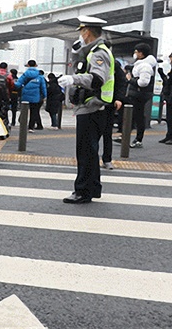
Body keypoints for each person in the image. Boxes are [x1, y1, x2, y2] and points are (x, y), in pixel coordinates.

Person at [57, 15, 115, 203]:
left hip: (93, 107)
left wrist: (74, 80)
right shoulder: (92, 51)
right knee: (90, 150)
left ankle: (82, 191)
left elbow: (97, 79)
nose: (81, 35)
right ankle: (93, 188)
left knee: (85, 152)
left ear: (87, 31)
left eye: (81, 31)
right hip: (92, 107)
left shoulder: (99, 52)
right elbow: (81, 67)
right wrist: (77, 51)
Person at [124, 43, 157, 148]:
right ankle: (126, 136)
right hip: (136, 94)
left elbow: (143, 82)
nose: (135, 54)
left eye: (136, 51)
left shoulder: (145, 66)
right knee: (133, 116)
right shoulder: (141, 63)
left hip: (139, 95)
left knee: (138, 117)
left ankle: (138, 139)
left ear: (141, 53)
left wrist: (131, 80)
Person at [101, 59, 126, 169]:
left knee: (107, 133)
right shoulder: (92, 60)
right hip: (93, 104)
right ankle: (90, 160)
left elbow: (121, 83)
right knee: (91, 135)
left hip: (108, 103)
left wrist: (118, 99)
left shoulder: (114, 64)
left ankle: (107, 159)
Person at [14, 60, 46, 132]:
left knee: (24, 110)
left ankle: (23, 125)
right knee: (34, 111)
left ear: (28, 65)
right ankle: (31, 127)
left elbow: (18, 84)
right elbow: (43, 87)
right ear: (36, 65)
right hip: (35, 96)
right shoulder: (40, 76)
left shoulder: (25, 74)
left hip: (25, 95)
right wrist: (44, 95)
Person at [158, 51, 172, 145]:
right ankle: (169, 136)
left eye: (171, 57)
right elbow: (168, 83)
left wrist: (171, 98)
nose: (169, 58)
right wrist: (162, 75)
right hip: (171, 98)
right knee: (169, 118)